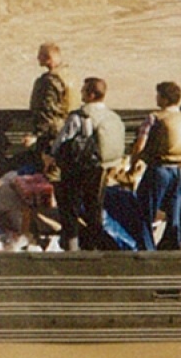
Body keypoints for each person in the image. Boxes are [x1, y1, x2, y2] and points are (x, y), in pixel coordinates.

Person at [49, 77, 126, 250]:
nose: (81, 93)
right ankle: (94, 246)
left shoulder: (80, 116)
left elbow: (62, 140)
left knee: (70, 207)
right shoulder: (112, 116)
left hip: (79, 168)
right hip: (103, 167)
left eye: (83, 90)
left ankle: (72, 245)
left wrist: (52, 157)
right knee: (94, 207)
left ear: (91, 94)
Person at [131, 81, 181, 250]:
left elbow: (140, 144)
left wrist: (134, 162)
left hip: (159, 168)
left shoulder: (154, 117)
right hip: (180, 169)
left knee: (146, 210)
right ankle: (173, 244)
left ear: (163, 98)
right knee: (175, 210)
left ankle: (147, 247)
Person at [29, 42, 77, 158]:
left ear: (48, 59)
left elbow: (47, 111)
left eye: (40, 56)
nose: (37, 58)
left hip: (51, 134)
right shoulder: (69, 75)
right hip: (70, 128)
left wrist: (36, 135)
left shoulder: (49, 81)